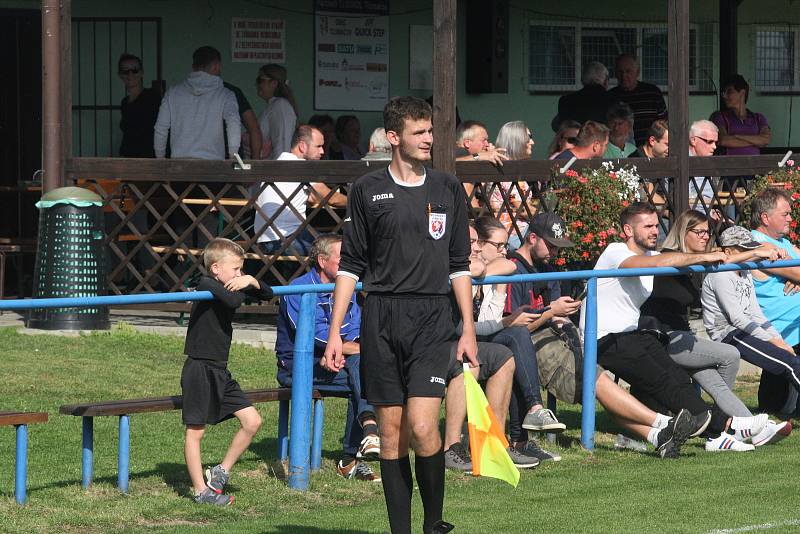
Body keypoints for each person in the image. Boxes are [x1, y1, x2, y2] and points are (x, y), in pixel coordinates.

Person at [323, 96, 476, 534]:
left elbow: (460, 264)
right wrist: (336, 333)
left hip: (433, 318)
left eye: (431, 131)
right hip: (382, 317)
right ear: (394, 137)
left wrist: (467, 328)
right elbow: (350, 266)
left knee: (425, 427)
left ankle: (433, 523)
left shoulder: (447, 187)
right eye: (420, 132)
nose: (429, 139)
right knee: (391, 434)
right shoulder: (367, 190)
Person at [581, 202, 770, 453]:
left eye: (655, 224)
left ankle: (716, 438)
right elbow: (661, 261)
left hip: (632, 335)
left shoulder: (652, 257)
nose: (654, 230)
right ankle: (729, 426)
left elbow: (708, 261)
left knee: (677, 376)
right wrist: (703, 255)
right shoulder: (616, 252)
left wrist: (754, 254)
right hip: (602, 338)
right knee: (662, 381)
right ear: (627, 230)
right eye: (647, 226)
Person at [275, 234, 381, 481]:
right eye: (343, 257)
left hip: (341, 361)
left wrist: (347, 350)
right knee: (367, 376)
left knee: (364, 373)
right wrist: (350, 350)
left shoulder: (348, 288)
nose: (350, 262)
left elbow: (355, 329)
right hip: (299, 365)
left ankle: (362, 442)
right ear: (322, 261)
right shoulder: (299, 289)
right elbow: (313, 336)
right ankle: (354, 451)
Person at [639, 210, 757, 422]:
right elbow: (669, 261)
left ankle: (745, 423)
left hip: (684, 339)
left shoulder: (695, 263)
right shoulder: (667, 257)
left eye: (707, 232)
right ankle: (726, 423)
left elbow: (727, 259)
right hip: (664, 338)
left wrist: (761, 253)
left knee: (715, 382)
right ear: (684, 232)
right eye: (699, 232)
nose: (705, 236)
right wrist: (708, 256)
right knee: (730, 354)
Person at [181, 238, 273, 505]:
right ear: (215, 269)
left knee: (252, 421)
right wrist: (245, 286)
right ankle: (201, 491)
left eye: (241, 269)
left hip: (220, 369)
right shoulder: (206, 284)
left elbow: (268, 294)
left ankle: (221, 471)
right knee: (195, 432)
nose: (239, 274)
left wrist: (252, 281)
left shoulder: (233, 283)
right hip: (199, 367)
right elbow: (233, 302)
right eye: (235, 269)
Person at [470, 218, 565, 466]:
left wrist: (495, 283)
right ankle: (521, 432)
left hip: (486, 333)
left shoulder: (499, 270)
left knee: (512, 347)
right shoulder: (467, 272)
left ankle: (523, 431)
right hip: (462, 339)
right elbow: (473, 326)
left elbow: (506, 266)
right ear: (478, 244)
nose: (505, 251)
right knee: (516, 339)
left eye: (505, 245)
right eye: (499, 245)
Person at [703, 224, 800, 431]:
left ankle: (723, 423)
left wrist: (779, 340)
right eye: (744, 250)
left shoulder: (745, 272)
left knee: (791, 360)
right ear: (728, 252)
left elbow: (756, 313)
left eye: (751, 249)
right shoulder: (721, 273)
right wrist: (773, 341)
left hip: (743, 331)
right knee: (790, 364)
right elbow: (736, 318)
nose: (749, 255)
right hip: (728, 333)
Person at [253, 124, 347, 255]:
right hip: (287, 239)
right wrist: (357, 200)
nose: (322, 151)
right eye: (318, 146)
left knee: (328, 244)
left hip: (263, 240)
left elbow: (313, 196)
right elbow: (331, 198)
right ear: (302, 146)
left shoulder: (279, 163)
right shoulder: (302, 168)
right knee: (338, 248)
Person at [749, 188, 800, 413]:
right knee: (774, 407)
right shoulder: (755, 243)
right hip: (781, 330)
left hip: (795, 325)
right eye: (785, 214)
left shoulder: (786, 243)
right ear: (765, 217)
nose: (791, 218)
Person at [154, 46, 241, 160]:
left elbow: (161, 127)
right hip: (212, 166)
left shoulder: (172, 93)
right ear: (217, 66)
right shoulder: (226, 95)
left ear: (193, 67)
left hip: (179, 166)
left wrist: (160, 158)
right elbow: (233, 123)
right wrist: (233, 155)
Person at [442, 340, 515, 472]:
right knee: (468, 364)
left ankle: (495, 444)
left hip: (455, 340)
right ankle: (451, 447)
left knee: (503, 357)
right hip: (428, 343)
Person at [491, 121, 537, 248]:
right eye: (529, 138)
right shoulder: (507, 174)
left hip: (511, 231)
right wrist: (547, 217)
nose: (532, 142)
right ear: (517, 141)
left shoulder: (504, 168)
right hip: (514, 234)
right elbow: (524, 210)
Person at [607, 54, 667, 146]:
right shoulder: (611, 96)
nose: (624, 76)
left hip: (650, 150)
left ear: (637, 72)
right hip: (621, 152)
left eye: (628, 71)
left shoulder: (652, 93)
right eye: (620, 72)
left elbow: (664, 123)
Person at [710, 74, 771, 157]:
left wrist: (736, 136)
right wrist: (756, 141)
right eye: (724, 92)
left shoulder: (758, 118)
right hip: (729, 167)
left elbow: (766, 140)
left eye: (729, 92)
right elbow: (723, 140)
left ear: (742, 93)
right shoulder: (720, 116)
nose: (724, 96)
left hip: (754, 167)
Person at [117, 53, 160, 158]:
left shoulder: (152, 98)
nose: (130, 74)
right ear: (120, 75)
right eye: (125, 71)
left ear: (142, 73)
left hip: (149, 160)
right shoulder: (125, 102)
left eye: (135, 70)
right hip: (129, 160)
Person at [553, 61, 616, 128]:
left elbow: (559, 127)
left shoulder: (565, 101)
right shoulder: (612, 100)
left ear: (582, 80)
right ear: (605, 81)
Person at [256, 64, 298, 160]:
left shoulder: (280, 105)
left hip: (276, 170)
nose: (258, 85)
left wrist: (279, 171)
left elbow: (283, 144)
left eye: (260, 80)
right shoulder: (273, 106)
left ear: (274, 83)